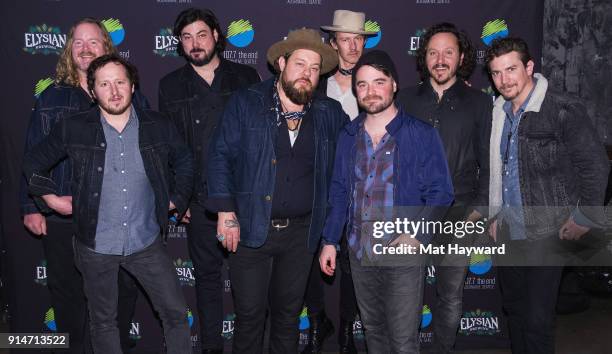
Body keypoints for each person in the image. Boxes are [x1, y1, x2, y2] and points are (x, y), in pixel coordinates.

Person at [23, 54, 194, 354]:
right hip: (96, 247)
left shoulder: (157, 124)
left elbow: (185, 161)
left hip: (146, 243)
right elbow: (34, 162)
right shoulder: (74, 128)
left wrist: (176, 199)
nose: (114, 91)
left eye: (120, 82)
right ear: (93, 90)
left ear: (132, 86)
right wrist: (50, 200)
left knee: (176, 315)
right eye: (104, 84)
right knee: (103, 322)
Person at [206, 28, 347, 354]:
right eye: (300, 64)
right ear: (282, 63)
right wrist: (226, 211)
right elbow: (219, 155)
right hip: (251, 228)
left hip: (301, 236)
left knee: (287, 319)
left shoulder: (329, 113)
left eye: (314, 69)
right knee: (250, 317)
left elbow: (348, 164)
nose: (307, 75)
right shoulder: (246, 102)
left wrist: (330, 238)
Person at [19, 18, 144, 354]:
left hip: (117, 217)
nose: (86, 49)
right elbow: (32, 153)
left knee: (122, 290)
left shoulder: (128, 93)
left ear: (107, 47)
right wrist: (34, 205)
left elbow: (149, 151)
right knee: (67, 293)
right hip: (64, 215)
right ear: (69, 51)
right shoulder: (51, 97)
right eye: (78, 43)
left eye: (93, 43)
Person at [319, 50, 454, 354]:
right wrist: (330, 240)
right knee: (373, 332)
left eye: (379, 82)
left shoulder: (421, 134)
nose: (371, 91)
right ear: (355, 90)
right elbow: (339, 191)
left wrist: (416, 235)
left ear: (394, 84)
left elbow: (441, 192)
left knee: (404, 340)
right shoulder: (348, 135)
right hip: (359, 250)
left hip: (402, 252)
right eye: (363, 84)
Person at [486, 37, 609, 354]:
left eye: (511, 69)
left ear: (529, 67)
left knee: (538, 321)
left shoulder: (562, 108)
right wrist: (496, 213)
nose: (504, 80)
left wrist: (584, 217)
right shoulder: (499, 111)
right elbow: (502, 170)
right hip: (510, 231)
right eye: (497, 73)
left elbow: (595, 166)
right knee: (514, 310)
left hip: (548, 232)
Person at [158, 8, 260, 354]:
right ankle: (212, 348)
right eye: (186, 37)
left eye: (201, 34)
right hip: (199, 201)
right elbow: (168, 147)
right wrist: (179, 197)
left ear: (217, 35)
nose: (194, 43)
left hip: (244, 199)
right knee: (207, 281)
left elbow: (260, 139)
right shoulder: (169, 86)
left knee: (250, 284)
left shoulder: (246, 77)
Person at [396, 22, 492, 353]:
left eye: (448, 52)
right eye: (434, 52)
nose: (440, 59)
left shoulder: (480, 103)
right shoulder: (404, 100)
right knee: (406, 296)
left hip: (459, 213)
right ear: (424, 57)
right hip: (412, 214)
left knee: (450, 296)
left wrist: (480, 207)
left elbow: (488, 161)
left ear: (461, 57)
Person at [300, 10, 375, 353]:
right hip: (317, 187)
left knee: (352, 263)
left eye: (358, 38)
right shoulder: (316, 83)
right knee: (306, 256)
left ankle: (347, 329)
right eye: (345, 39)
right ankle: (317, 319)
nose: (353, 45)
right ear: (332, 43)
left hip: (360, 189)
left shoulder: (375, 84)